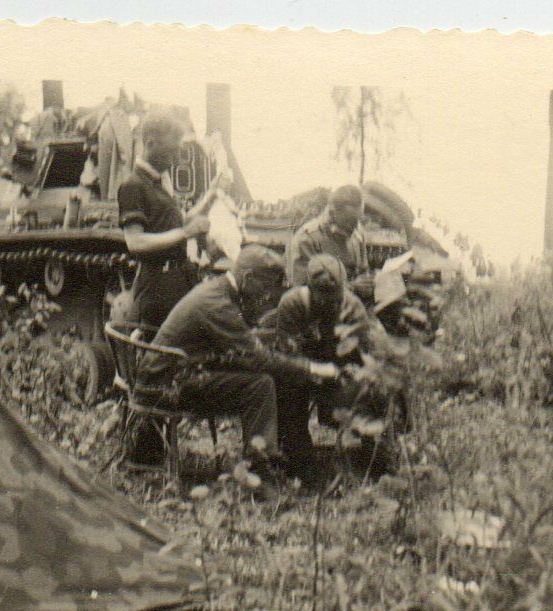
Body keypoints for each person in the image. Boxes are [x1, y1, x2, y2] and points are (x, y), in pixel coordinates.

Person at [137, 245, 340, 475]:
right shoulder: (217, 304)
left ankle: (282, 454)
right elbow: (258, 358)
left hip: (169, 374)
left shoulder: (217, 291)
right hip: (166, 386)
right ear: (248, 278)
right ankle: (260, 467)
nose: (267, 295)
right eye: (265, 286)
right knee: (260, 385)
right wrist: (313, 368)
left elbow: (243, 347)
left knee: (262, 376)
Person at [263, 253, 384, 480]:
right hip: (303, 374)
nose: (330, 303)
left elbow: (364, 356)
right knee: (287, 389)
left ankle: (373, 460)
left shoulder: (352, 307)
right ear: (309, 288)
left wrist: (351, 372)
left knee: (373, 388)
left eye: (335, 297)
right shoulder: (293, 304)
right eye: (323, 296)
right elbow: (288, 356)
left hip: (339, 374)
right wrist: (316, 371)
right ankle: (301, 464)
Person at [117, 110, 226, 328]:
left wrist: (211, 194)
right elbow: (135, 242)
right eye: (171, 152)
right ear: (150, 144)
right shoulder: (133, 186)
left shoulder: (159, 183)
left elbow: (179, 223)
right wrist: (186, 233)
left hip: (178, 278)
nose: (176, 160)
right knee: (164, 349)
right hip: (158, 286)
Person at [285, 185, 373, 302]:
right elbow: (303, 290)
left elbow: (363, 270)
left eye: (358, 220)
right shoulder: (307, 239)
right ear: (332, 213)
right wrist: (352, 287)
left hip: (352, 304)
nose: (356, 227)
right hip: (321, 310)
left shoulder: (356, 231)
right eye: (349, 221)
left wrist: (368, 281)